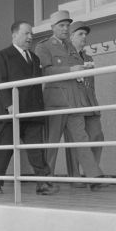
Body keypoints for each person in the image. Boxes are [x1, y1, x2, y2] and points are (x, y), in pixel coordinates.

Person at [35, 10, 105, 190]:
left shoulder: (71, 47)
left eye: (67, 25)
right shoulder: (43, 47)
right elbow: (45, 72)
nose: (65, 29)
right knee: (52, 143)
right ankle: (45, 181)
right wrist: (70, 70)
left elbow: (75, 69)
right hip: (56, 101)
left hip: (74, 101)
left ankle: (94, 177)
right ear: (53, 28)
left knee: (81, 140)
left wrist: (81, 70)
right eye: (61, 26)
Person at [0, 21, 58, 196]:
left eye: (31, 34)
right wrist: (8, 104)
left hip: (33, 110)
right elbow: (0, 82)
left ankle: (42, 183)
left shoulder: (35, 58)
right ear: (15, 35)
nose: (30, 37)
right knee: (4, 149)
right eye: (26, 33)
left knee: (36, 148)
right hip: (12, 111)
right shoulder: (2, 56)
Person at [68, 20, 108, 191]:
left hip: (90, 103)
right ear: (71, 37)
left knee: (97, 136)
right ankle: (77, 177)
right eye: (80, 34)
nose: (84, 37)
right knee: (75, 141)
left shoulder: (89, 58)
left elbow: (92, 84)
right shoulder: (65, 57)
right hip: (74, 103)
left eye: (85, 34)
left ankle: (93, 172)